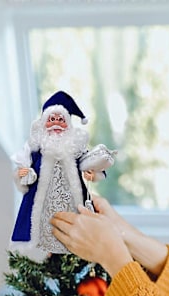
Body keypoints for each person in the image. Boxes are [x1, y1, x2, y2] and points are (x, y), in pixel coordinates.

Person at [10, 90, 115, 259]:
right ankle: (48, 253)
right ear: (44, 123)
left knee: (72, 227)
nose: (56, 124)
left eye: (61, 120)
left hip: (71, 201)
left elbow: (92, 163)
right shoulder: (37, 150)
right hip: (43, 203)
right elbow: (24, 171)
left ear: (68, 123)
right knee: (43, 229)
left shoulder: (76, 148)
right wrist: (23, 174)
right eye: (52, 120)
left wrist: (93, 175)